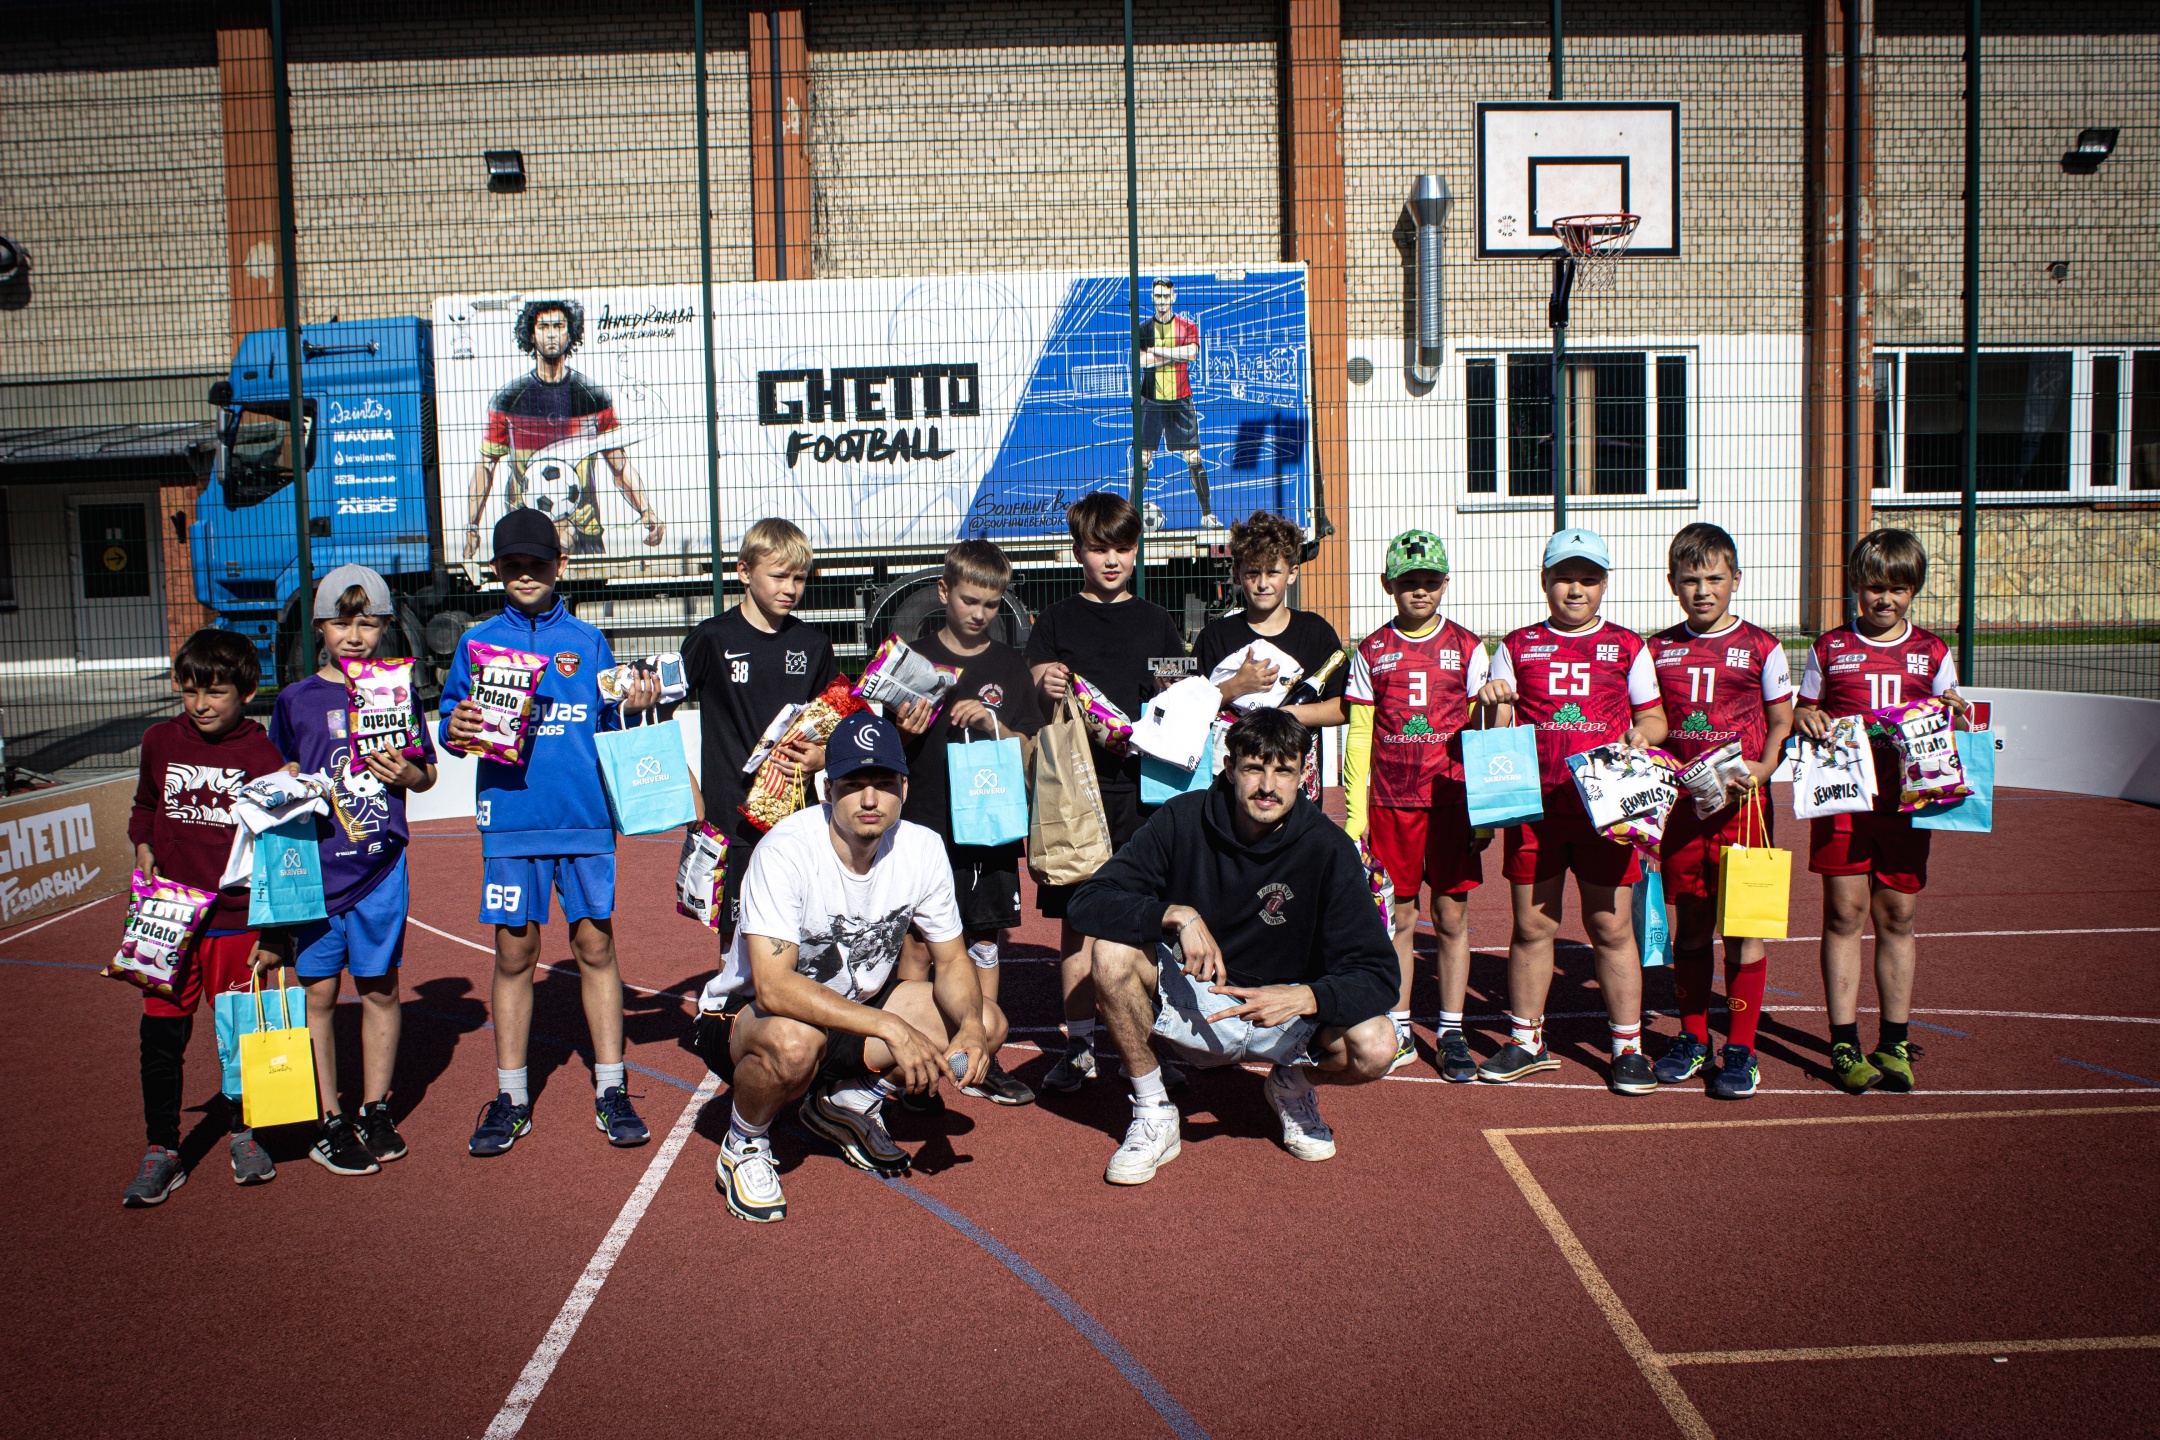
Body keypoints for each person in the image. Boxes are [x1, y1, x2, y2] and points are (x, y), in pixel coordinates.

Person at [1067, 709, 1398, 1185]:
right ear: (1229, 767)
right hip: (1197, 1004)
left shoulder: (1328, 848)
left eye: (1283, 770)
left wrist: (1306, 996)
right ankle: (1154, 1111)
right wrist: (1176, 913)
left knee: (1377, 1044)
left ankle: (1291, 1086)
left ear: (1303, 774)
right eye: (1254, 768)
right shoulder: (1182, 820)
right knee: (1110, 953)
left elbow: (1380, 975)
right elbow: (1088, 902)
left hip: (1287, 1015)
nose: (1268, 786)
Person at [696, 712, 998, 1224]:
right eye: (854, 785)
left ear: (904, 787)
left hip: (853, 1010)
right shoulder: (786, 851)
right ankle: (744, 1142)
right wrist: (890, 1027)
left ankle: (850, 1101)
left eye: (884, 783)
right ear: (827, 790)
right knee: (795, 1044)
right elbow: (773, 988)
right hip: (747, 1019)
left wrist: (969, 1025)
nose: (870, 799)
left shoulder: (922, 848)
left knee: (987, 1021)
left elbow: (950, 959)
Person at [439, 509, 661, 1157]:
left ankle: (612, 1087)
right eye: (512, 565)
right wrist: (457, 727)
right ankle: (511, 1098)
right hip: (512, 822)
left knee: (595, 945)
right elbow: (452, 724)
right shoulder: (476, 643)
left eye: (537, 563)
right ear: (496, 570)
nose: (526, 574)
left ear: (560, 565)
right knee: (515, 954)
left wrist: (635, 709)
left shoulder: (589, 642)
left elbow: (612, 723)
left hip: (585, 821)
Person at [1475, 527, 1668, 1094]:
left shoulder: (1628, 646)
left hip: (1606, 809)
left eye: (1588, 578)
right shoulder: (1517, 646)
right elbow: (1496, 729)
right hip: (1535, 808)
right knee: (1533, 925)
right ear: (1544, 582)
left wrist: (1643, 736)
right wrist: (1493, 704)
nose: (1576, 589)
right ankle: (1526, 1040)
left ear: (1604, 584)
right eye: (1564, 578)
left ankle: (1627, 1046)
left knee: (1610, 926)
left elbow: (1654, 718)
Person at [270, 565, 439, 1174]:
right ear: (319, 627)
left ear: (386, 627)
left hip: (380, 869)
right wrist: (283, 779)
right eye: (341, 622)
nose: (354, 635)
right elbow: (274, 778)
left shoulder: (397, 691)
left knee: (379, 988)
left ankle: (375, 1108)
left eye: (367, 623)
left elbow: (427, 775)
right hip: (314, 873)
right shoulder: (294, 700)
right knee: (317, 993)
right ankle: (329, 1117)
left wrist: (410, 774)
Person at [1025, 492, 1189, 1094]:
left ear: (1136, 550)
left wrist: (1169, 694)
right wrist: (1042, 680)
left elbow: (1177, 690)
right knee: (1077, 921)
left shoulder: (1156, 619)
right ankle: (1079, 1045)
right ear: (1078, 553)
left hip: (1143, 790)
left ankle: (1148, 1039)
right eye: (1099, 549)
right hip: (1075, 794)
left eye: (1122, 548)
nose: (1112, 560)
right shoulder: (1055, 621)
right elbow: (1033, 687)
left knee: (1145, 919)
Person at [1794, 528, 1967, 1095]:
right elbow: (1805, 709)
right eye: (1874, 588)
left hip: (1906, 803)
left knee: (1897, 917)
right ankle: (1843, 1041)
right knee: (1844, 914)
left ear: (1913, 590)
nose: (1885, 600)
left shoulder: (1933, 651)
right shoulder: (1830, 647)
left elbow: (1955, 716)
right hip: (1844, 800)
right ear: (1856, 587)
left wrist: (1957, 711)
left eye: (1897, 588)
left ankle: (1894, 1041)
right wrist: (1806, 717)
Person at [122, 628, 289, 1206]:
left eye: (215, 692)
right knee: (160, 1036)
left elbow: (279, 849)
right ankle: (162, 1148)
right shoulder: (159, 740)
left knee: (243, 1037)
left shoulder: (262, 756)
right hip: (167, 918)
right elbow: (145, 806)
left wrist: (275, 932)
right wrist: (143, 845)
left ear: (247, 691)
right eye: (190, 690)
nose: (200, 704)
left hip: (237, 922)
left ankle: (247, 1133)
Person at [890, 539, 1045, 1106]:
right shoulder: (912, 658)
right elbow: (883, 743)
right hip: (924, 824)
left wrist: (991, 723)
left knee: (983, 939)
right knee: (918, 943)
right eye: (969, 599)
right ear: (943, 592)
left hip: (989, 825)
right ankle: (912, 1062)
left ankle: (985, 1056)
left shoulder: (1008, 665)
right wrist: (903, 729)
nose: (979, 613)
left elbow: (1029, 746)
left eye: (991, 603)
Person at [1648, 525, 1794, 1100]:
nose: (1703, 590)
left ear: (1736, 579)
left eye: (1714, 578)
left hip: (1745, 811)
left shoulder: (1762, 646)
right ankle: (1691, 1039)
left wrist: (1764, 768)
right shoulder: (1657, 649)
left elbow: (1781, 721)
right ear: (1672, 583)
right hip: (1685, 811)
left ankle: (1741, 1049)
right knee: (1690, 929)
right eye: (1691, 580)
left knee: (1743, 930)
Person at [1340, 530, 1490, 1082]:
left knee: (1452, 917)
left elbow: (1484, 733)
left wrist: (1484, 810)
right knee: (1400, 917)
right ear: (1388, 585)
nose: (1420, 591)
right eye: (1408, 583)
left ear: (1445, 584)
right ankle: (1400, 1025)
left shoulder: (1470, 648)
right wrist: (1355, 814)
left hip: (1451, 803)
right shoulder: (1372, 650)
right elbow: (1360, 734)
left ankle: (1451, 1031)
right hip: (1390, 803)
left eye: (1430, 581)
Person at [678, 517, 839, 947]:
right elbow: (657, 711)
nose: (790, 588)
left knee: (799, 936)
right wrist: (686, 786)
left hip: (796, 817)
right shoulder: (712, 638)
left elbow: (836, 722)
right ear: (744, 572)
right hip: (729, 818)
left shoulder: (814, 644)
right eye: (779, 576)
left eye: (799, 578)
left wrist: (822, 756)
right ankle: (729, 996)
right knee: (735, 944)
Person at [465, 297, 663, 560]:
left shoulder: (593, 397)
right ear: (531, 334)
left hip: (583, 532)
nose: (551, 334)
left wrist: (646, 510)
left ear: (570, 334)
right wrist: (472, 524)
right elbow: (486, 466)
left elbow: (620, 465)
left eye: (558, 326)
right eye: (543, 327)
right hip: (527, 534)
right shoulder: (508, 400)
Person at [1191, 510, 1348, 805]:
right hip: (1232, 791)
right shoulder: (1216, 636)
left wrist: (1288, 715)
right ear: (1237, 573)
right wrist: (1235, 686)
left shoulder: (1315, 632)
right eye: (1253, 573)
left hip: (1297, 793)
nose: (1262, 584)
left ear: (1292, 573)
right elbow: (1192, 706)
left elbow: (1344, 707)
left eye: (1273, 572)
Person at [1134, 277, 1218, 531]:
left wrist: (1159, 351)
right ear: (1152, 297)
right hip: (1151, 400)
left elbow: (1191, 354)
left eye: (1165, 296)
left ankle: (1207, 514)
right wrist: (1175, 354)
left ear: (1173, 297)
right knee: (1142, 458)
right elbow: (1142, 361)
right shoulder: (1144, 328)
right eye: (1157, 296)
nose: (1161, 301)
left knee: (1193, 457)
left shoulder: (1187, 326)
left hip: (1181, 399)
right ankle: (1130, 518)